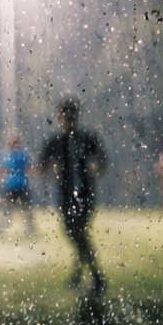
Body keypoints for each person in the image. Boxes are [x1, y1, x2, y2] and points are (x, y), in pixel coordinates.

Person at [40, 99, 107, 294]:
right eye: (64, 116)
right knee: (77, 233)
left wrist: (96, 167)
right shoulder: (57, 141)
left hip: (85, 193)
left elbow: (102, 158)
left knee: (78, 233)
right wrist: (49, 167)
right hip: (65, 194)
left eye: (70, 116)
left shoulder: (86, 138)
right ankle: (82, 275)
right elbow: (42, 163)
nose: (67, 120)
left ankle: (95, 277)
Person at [0, 131, 36, 237]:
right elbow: (0, 171)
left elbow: (29, 169)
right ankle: (0, 230)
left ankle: (30, 230)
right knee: (9, 211)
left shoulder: (19, 155)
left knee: (25, 210)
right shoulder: (7, 155)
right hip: (12, 186)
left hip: (19, 185)